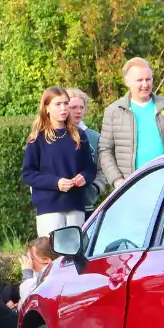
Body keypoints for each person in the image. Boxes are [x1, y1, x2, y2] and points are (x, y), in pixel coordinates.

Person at [22, 87, 97, 237]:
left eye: (65, 103)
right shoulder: (38, 138)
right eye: (58, 104)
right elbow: (28, 174)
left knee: (75, 254)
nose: (63, 108)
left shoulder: (78, 135)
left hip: (75, 205)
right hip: (49, 207)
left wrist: (84, 177)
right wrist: (56, 183)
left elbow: (90, 168)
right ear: (46, 108)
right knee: (53, 254)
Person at [98, 57, 164, 190]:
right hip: (130, 187)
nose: (145, 84)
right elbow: (105, 150)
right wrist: (117, 181)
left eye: (148, 79)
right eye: (139, 80)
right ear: (127, 82)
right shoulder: (114, 111)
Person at [67, 88, 106, 220]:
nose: (78, 111)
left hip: (86, 204)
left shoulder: (95, 138)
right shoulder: (53, 135)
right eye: (73, 107)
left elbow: (102, 169)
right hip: (58, 205)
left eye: (81, 107)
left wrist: (95, 188)